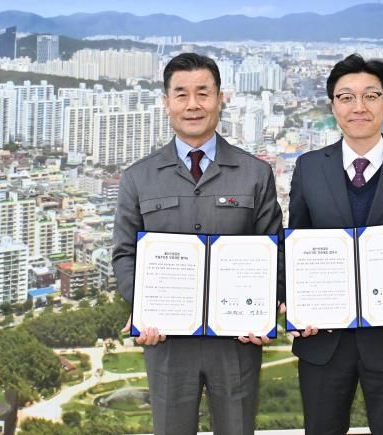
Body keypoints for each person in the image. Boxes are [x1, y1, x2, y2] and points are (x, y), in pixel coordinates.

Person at [112, 53, 282, 435]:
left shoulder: (255, 173)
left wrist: (265, 313)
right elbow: (124, 254)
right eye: (181, 94)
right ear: (166, 102)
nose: (193, 104)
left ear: (221, 99)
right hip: (167, 340)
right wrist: (142, 307)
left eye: (203, 93)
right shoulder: (138, 178)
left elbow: (274, 250)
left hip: (236, 340)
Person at [286, 53, 383, 435]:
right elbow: (294, 247)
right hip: (322, 342)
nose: (359, 107)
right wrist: (293, 300)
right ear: (333, 106)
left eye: (371, 96)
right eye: (346, 97)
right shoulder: (308, 168)